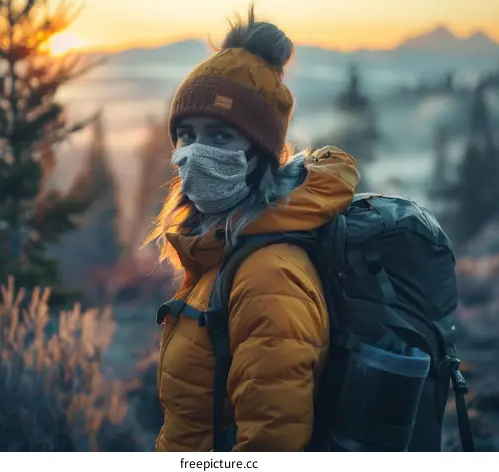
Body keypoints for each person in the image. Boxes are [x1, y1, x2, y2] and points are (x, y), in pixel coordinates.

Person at [144, 6, 360, 452]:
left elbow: (270, 448)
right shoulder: (223, 249)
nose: (194, 153)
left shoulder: (268, 274)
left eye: (221, 137)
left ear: (261, 153)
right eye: (186, 134)